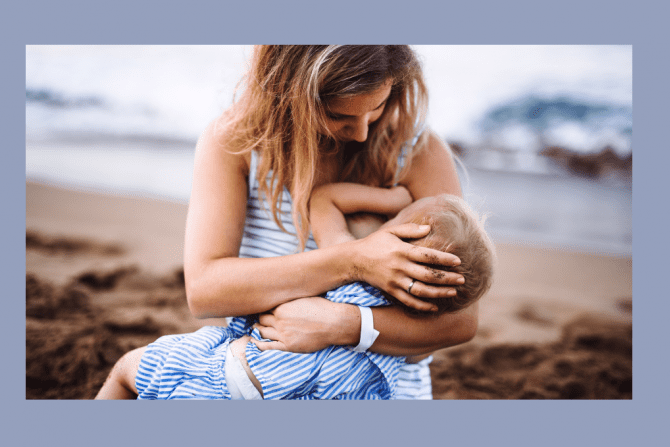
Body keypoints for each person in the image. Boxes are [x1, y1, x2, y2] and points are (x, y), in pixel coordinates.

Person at [101, 45, 477, 400]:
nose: (362, 132)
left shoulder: (416, 153)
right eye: (338, 115)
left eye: (377, 106)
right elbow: (205, 290)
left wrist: (343, 323)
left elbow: (460, 321)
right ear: (288, 94)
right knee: (135, 369)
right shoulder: (237, 144)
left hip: (379, 388)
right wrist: (356, 260)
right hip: (266, 375)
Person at [95, 187, 495, 399]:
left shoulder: (353, 266)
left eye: (395, 221)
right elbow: (449, 328)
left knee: (129, 368)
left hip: (230, 378)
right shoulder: (414, 328)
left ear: (400, 237)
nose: (385, 221)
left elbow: (323, 199)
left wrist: (392, 199)